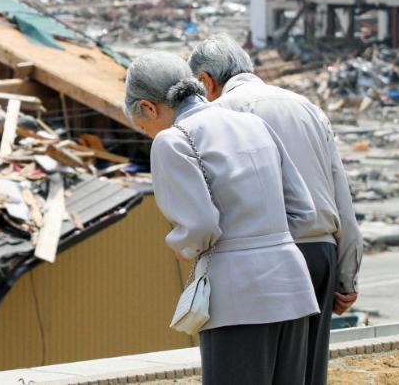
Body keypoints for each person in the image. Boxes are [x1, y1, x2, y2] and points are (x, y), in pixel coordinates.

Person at [124, 52, 320, 385]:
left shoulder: (173, 140)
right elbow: (304, 211)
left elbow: (199, 227)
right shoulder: (253, 123)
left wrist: (184, 247)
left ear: (148, 107)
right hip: (293, 286)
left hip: (236, 295)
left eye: (144, 127)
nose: (149, 133)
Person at [189, 34, 363, 385]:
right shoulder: (306, 106)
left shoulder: (217, 115)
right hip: (321, 256)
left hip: (263, 261)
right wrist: (346, 276)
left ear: (206, 80)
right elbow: (340, 196)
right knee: (306, 375)